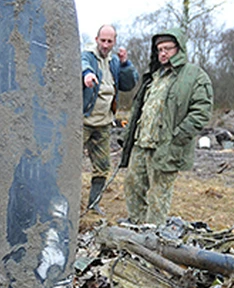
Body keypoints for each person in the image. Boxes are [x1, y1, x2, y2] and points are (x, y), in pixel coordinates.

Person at [119, 28, 213, 225]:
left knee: (158, 195)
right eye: (159, 49)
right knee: (132, 185)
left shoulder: (195, 76)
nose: (163, 53)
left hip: (167, 147)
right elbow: (140, 109)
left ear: (179, 48)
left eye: (168, 49)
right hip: (142, 143)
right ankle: (137, 226)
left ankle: (152, 236)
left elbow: (202, 111)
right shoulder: (154, 76)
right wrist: (128, 137)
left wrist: (178, 137)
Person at [82, 24, 139, 211]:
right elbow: (83, 65)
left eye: (110, 41)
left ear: (114, 42)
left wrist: (125, 64)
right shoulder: (88, 55)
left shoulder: (114, 61)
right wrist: (87, 75)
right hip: (82, 122)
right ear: (97, 39)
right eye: (103, 40)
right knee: (68, 164)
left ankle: (94, 204)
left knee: (103, 166)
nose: (106, 45)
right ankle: (62, 202)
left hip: (104, 123)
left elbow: (129, 84)